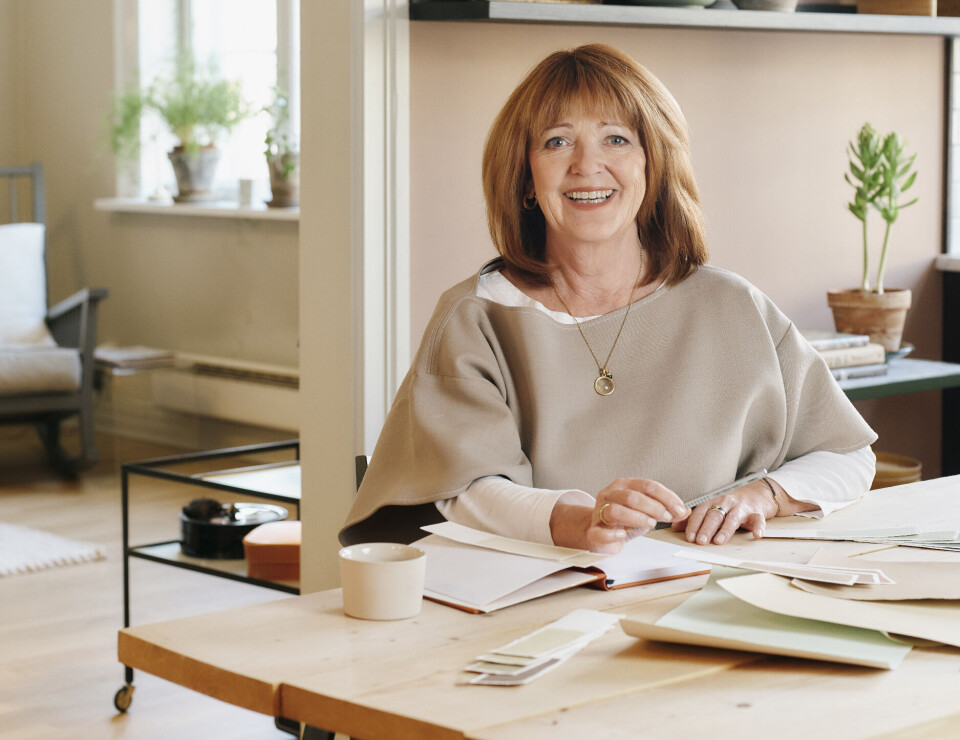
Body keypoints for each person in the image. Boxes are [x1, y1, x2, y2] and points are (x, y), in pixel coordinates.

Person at [340, 43, 877, 554]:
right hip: (539, 601)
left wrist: (763, 495)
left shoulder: (733, 307)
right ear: (527, 177)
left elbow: (849, 454)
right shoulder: (476, 316)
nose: (586, 164)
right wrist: (579, 520)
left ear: (652, 164)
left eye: (616, 139)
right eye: (557, 141)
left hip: (719, 590)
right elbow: (462, 489)